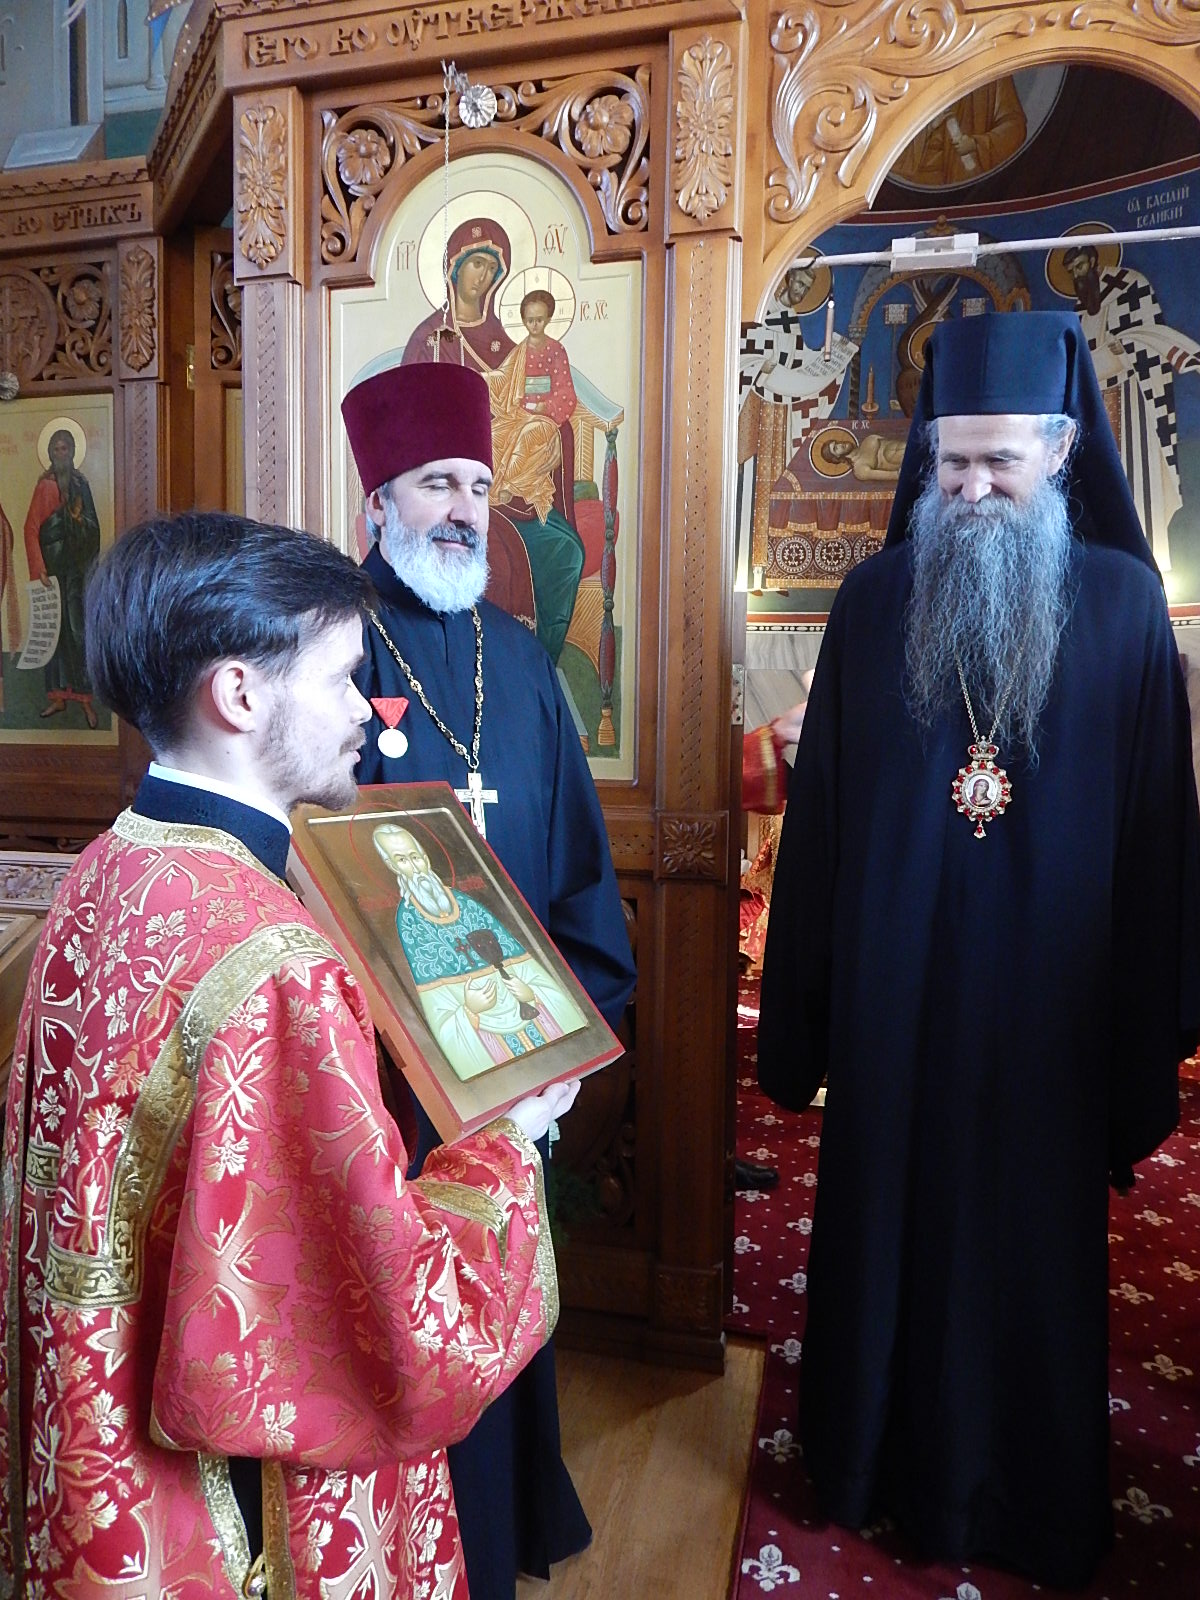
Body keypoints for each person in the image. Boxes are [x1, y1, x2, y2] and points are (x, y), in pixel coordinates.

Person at [0, 511, 581, 1596]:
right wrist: (509, 1140)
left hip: (99, 1447)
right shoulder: (275, 964)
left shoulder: (103, 871)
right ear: (239, 693)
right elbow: (383, 1320)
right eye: (342, 677)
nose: (367, 708)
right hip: (231, 1504)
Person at [757, 311, 1200, 1588]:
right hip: (897, 1011)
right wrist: (807, 1013)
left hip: (1050, 1026)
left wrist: (1144, 1023)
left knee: (1028, 1257)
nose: (971, 489)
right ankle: (866, 1466)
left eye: (1000, 461)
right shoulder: (872, 602)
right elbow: (822, 826)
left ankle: (1026, 1498)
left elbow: (1158, 838)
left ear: (1060, 449)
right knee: (885, 1231)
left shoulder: (1123, 608)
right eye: (951, 461)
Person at [341, 359, 637, 1600]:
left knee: (503, 1294)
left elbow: (580, 866)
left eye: (476, 484)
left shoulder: (517, 659)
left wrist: (565, 1050)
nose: (465, 509)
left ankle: (503, 1518)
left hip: (509, 1068)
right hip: (378, 1074)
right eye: (434, 485)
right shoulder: (328, 644)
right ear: (377, 504)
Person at [372, 820, 587, 1077]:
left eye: (415, 856)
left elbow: (524, 965)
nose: (414, 867)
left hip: (532, 1019)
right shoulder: (409, 920)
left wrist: (530, 993)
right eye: (402, 860)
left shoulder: (466, 903)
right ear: (392, 866)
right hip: (485, 1039)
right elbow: (435, 1006)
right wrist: (469, 1011)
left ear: (425, 858)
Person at [1063, 242, 1200, 572]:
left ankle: (1150, 564)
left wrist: (1106, 357)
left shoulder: (1130, 287)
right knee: (1096, 488)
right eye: (1071, 272)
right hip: (1096, 411)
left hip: (1133, 403)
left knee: (1140, 484)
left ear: (1094, 261)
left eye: (1080, 266)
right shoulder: (1079, 312)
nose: (1078, 276)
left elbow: (1145, 340)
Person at [22, 426, 102, 726]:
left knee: (77, 630)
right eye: (56, 449)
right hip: (53, 572)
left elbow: (94, 527)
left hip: (76, 571)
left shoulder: (82, 485)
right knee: (54, 633)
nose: (61, 453)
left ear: (72, 452)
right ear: (50, 454)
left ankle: (85, 700)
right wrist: (39, 567)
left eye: (65, 448)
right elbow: (31, 528)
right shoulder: (45, 487)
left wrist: (79, 524)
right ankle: (57, 698)